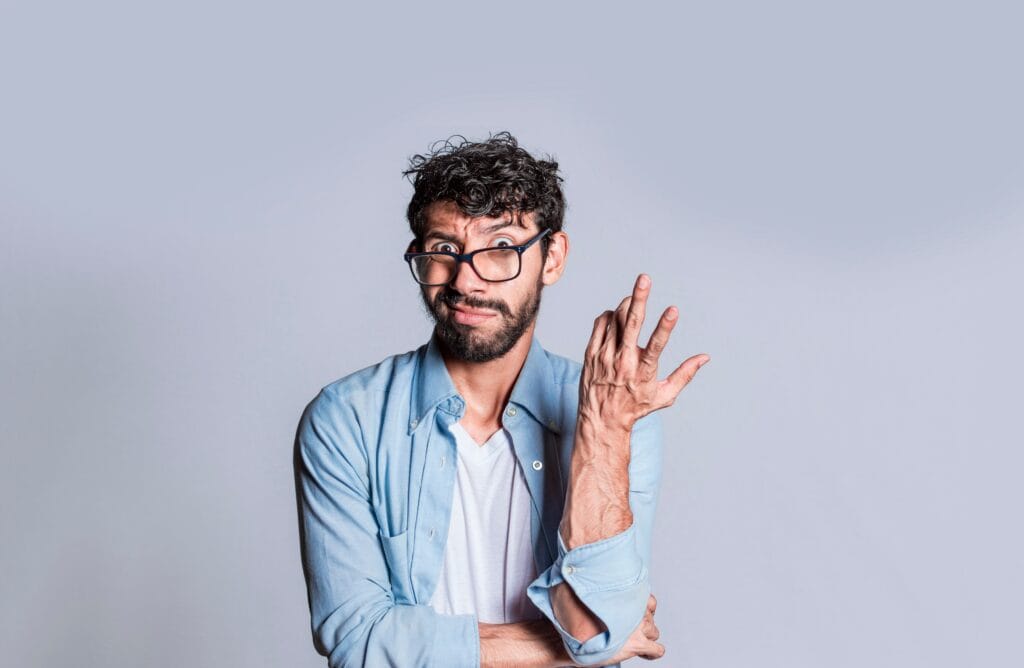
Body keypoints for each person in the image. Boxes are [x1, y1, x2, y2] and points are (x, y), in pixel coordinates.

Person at [293, 131, 710, 667]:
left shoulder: (618, 416)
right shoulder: (347, 419)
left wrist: (603, 434)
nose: (467, 280)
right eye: (444, 250)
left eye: (502, 248)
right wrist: (568, 649)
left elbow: (592, 622)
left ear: (552, 257)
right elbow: (358, 644)